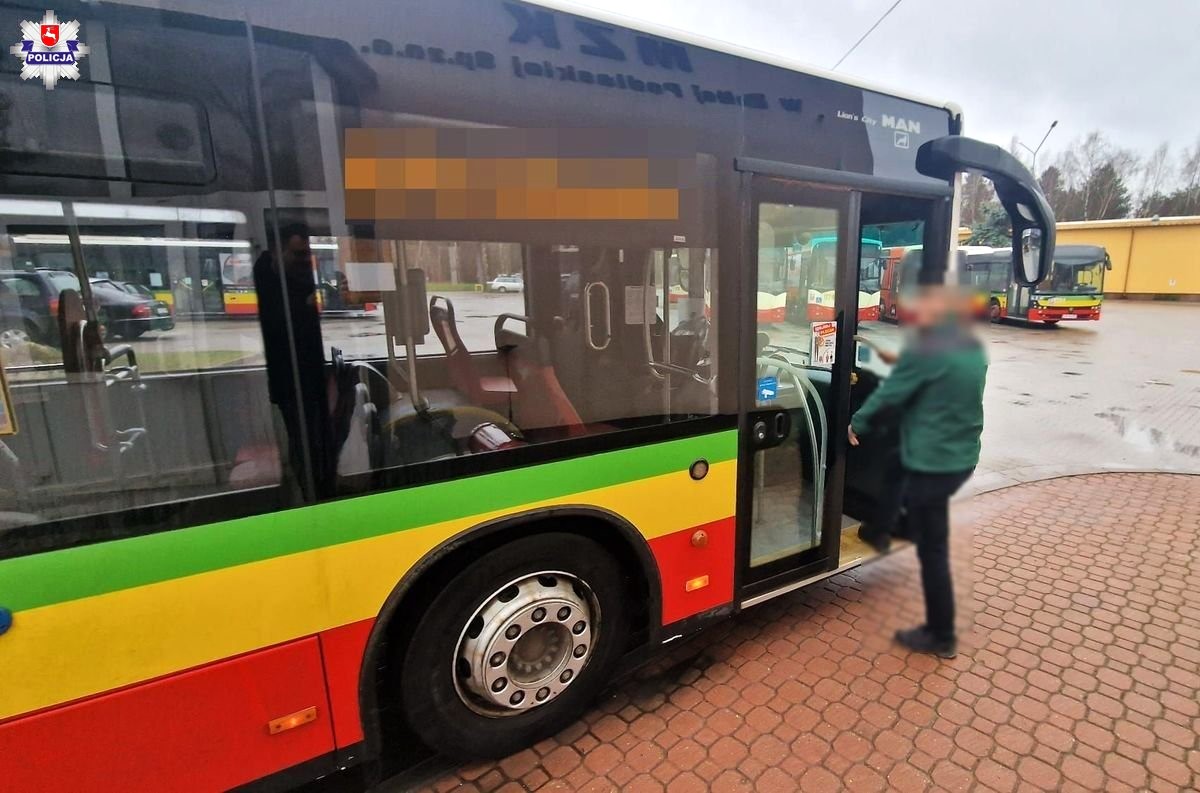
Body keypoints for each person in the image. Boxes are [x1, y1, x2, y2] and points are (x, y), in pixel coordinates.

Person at [848, 286, 987, 658]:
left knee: (934, 550)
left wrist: (857, 423)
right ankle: (891, 525)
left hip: (935, 463)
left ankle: (941, 636)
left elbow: (891, 393)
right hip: (962, 456)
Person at [254, 223, 332, 500]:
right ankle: (314, 493)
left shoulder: (284, 274)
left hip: (305, 375)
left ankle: (316, 488)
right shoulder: (269, 274)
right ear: (278, 249)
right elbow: (283, 323)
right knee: (303, 440)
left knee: (310, 440)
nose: (304, 261)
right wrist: (309, 302)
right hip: (292, 379)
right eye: (298, 253)